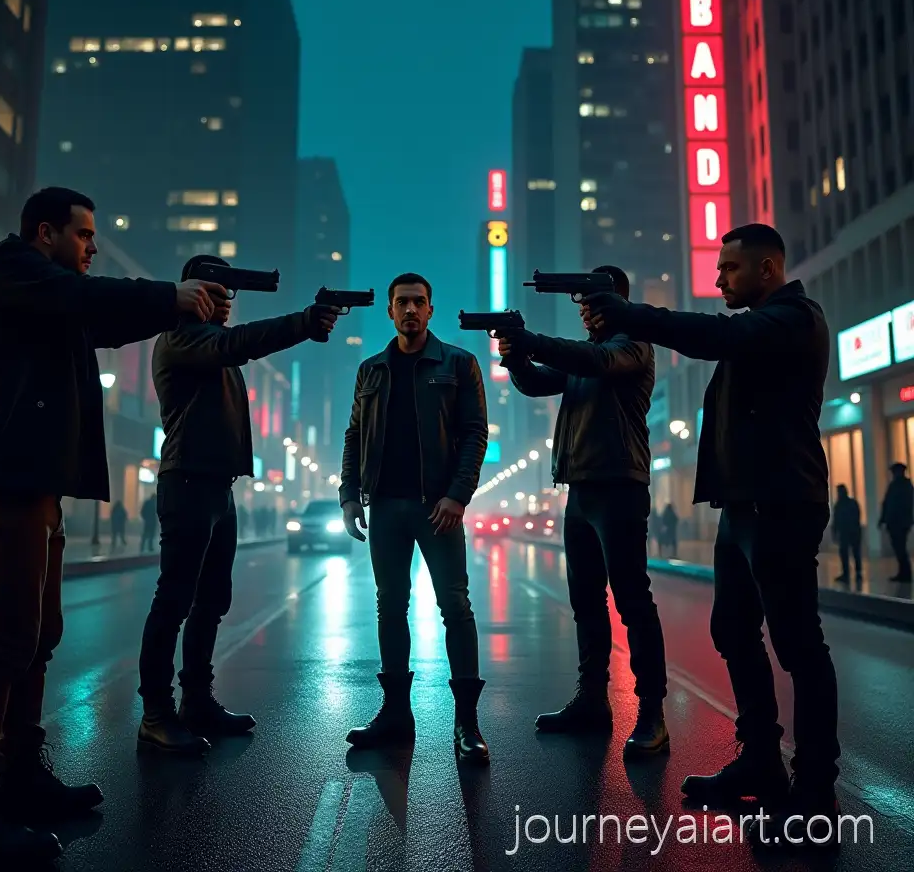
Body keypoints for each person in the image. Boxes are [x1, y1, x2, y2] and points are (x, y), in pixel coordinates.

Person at [0, 187, 226, 862]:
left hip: (32, 483)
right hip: (1, 479)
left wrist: (166, 308)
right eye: (84, 234)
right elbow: (89, 303)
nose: (93, 246)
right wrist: (170, 296)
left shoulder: (52, 294)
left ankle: (20, 776)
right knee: (5, 636)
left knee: (37, 635)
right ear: (46, 233)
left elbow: (101, 319)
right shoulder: (14, 269)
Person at [584, 224, 839, 849]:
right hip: (743, 507)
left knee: (799, 645)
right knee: (732, 629)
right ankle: (760, 760)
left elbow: (712, 335)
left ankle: (815, 792)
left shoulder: (791, 319)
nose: (719, 278)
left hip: (781, 503)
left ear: (769, 268)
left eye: (730, 268)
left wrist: (631, 315)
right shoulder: (760, 323)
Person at [136, 254, 340, 755]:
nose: (228, 306)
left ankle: (197, 701)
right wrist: (302, 323)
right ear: (197, 295)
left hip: (215, 485)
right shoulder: (184, 338)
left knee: (212, 599)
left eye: (231, 297)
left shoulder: (207, 343)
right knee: (175, 601)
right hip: (187, 482)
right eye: (219, 295)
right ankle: (157, 715)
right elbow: (237, 344)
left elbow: (233, 345)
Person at [498, 264, 669, 758]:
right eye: (583, 305)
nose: (585, 312)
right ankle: (593, 703)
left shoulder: (631, 346)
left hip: (619, 485)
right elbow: (536, 384)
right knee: (587, 604)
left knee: (633, 602)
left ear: (615, 303)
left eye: (593, 303)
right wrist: (515, 358)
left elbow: (594, 362)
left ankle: (653, 714)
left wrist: (529, 339)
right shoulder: (587, 355)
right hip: (581, 491)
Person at [339, 273, 490, 763]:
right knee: (390, 606)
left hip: (437, 507)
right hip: (384, 504)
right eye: (401, 302)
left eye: (418, 302)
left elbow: (474, 434)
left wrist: (457, 496)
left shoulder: (459, 364)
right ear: (390, 311)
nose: (409, 310)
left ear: (430, 310)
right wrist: (348, 495)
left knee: (455, 606)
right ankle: (396, 716)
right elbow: (354, 436)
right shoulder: (371, 370)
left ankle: (466, 725)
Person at [879, 462, 913, 582]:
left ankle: (906, 573)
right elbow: (887, 504)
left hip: (900, 523)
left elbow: (902, 505)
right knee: (899, 548)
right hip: (895, 523)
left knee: (900, 548)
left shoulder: (903, 486)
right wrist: (883, 519)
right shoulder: (896, 485)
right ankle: (903, 572)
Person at [831, 485, 862, 584]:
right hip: (850, 532)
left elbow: (836, 521)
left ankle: (850, 573)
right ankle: (855, 573)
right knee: (852, 553)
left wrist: (835, 533)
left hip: (848, 532)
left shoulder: (840, 505)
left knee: (850, 553)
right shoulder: (850, 503)